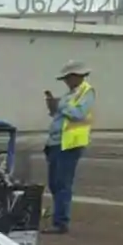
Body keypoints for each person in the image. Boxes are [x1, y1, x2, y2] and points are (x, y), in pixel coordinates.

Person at [42, 59, 95, 234]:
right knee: (55, 183)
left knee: (62, 183)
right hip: (57, 142)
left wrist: (60, 106)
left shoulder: (87, 92)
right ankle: (59, 218)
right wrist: (53, 106)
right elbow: (59, 115)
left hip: (70, 144)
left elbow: (78, 114)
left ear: (76, 76)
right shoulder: (69, 94)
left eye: (67, 78)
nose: (65, 81)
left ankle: (60, 222)